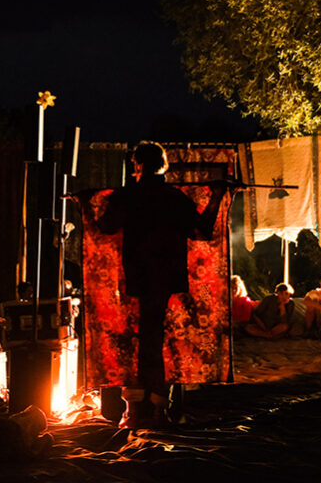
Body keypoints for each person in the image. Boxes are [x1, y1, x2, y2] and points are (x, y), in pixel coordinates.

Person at [96, 141, 225, 428]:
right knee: (160, 340)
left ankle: (145, 406)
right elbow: (202, 230)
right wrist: (216, 197)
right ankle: (155, 404)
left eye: (134, 165)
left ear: (138, 165)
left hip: (140, 276)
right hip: (167, 275)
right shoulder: (174, 197)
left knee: (147, 340)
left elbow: (105, 226)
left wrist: (93, 201)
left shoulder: (128, 196)